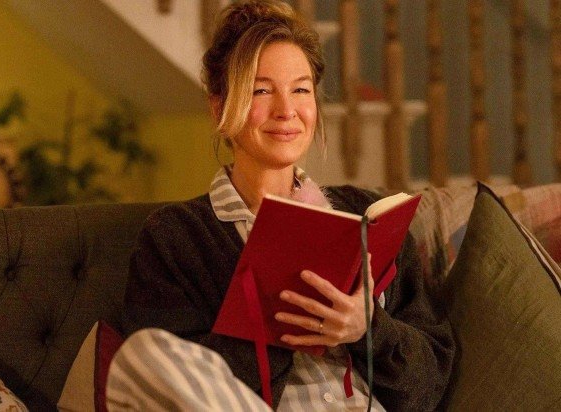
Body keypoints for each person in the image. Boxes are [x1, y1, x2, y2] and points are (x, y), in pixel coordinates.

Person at [107, 1, 455, 411]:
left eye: (301, 90)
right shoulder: (175, 236)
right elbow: (171, 389)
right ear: (219, 108)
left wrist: (367, 330)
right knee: (144, 355)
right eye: (262, 90)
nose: (286, 111)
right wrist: (280, 322)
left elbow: (430, 385)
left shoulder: (368, 216)